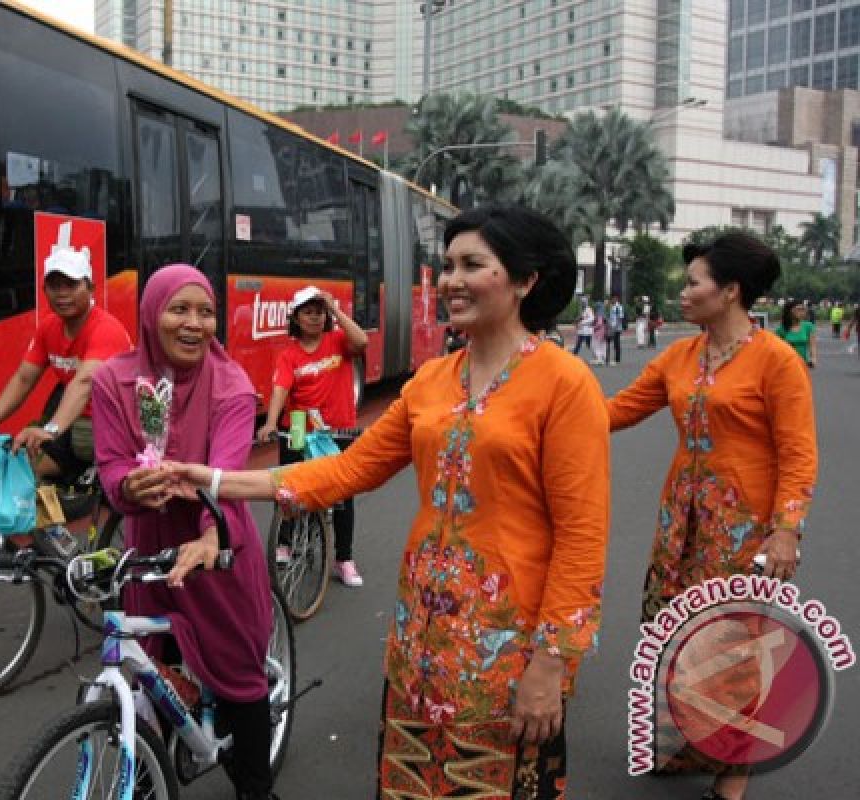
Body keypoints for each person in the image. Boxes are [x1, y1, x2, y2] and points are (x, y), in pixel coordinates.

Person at [171, 206, 609, 799]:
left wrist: (552, 663)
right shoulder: (432, 380)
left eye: (472, 265)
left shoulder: (565, 382)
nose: (451, 280)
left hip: (512, 646)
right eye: (447, 264)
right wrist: (216, 480)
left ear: (526, 280)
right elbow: (349, 468)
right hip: (420, 635)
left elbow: (582, 536)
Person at [606, 232, 816, 800]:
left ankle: (736, 770)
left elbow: (798, 452)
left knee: (734, 648)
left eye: (693, 281)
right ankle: (689, 745)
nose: (683, 291)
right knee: (673, 635)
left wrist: (786, 528)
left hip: (742, 532)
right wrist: (549, 405)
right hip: (680, 526)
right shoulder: (680, 356)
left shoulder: (776, 362)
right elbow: (619, 409)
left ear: (729, 291)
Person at [90, 264, 276, 800]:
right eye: (179, 309)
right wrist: (130, 487)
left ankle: (255, 788)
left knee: (242, 680)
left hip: (216, 544)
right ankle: (146, 781)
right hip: (150, 548)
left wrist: (209, 536)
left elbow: (223, 475)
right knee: (149, 670)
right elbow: (110, 467)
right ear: (151, 314)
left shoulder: (233, 387)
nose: (194, 323)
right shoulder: (113, 381)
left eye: (206, 311)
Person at [0, 247, 132, 483]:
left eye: (71, 285)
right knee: (24, 466)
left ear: (90, 288)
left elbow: (84, 382)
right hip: (73, 421)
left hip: (112, 424)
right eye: (54, 286)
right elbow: (24, 378)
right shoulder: (48, 328)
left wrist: (50, 431)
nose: (62, 294)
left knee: (52, 462)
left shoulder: (105, 329)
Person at [256, 285, 369, 587]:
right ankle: (286, 543)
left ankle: (343, 558)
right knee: (288, 487)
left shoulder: (338, 341)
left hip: (338, 427)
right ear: (296, 318)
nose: (315, 317)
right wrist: (269, 423)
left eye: (319, 312)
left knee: (343, 495)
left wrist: (336, 310)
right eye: (308, 312)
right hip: (296, 424)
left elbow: (362, 341)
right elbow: (281, 388)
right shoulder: (289, 355)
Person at [774, 299, 818, 368]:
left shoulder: (808, 326)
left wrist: (813, 358)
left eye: (803, 309)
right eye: (798, 309)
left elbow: (812, 345)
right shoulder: (781, 330)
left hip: (802, 364)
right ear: (790, 311)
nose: (802, 312)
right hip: (786, 365)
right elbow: (776, 349)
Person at [607, 294, 625, 365]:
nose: (612, 300)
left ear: (616, 299)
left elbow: (620, 318)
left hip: (616, 328)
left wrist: (616, 327)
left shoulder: (618, 307)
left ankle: (617, 359)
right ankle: (611, 357)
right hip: (611, 326)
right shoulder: (612, 306)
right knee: (613, 343)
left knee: (616, 343)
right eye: (611, 299)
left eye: (613, 299)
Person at [591, 301, 608, 366]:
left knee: (597, 345)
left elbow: (599, 323)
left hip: (598, 332)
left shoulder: (599, 314)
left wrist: (593, 326)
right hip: (604, 332)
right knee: (603, 345)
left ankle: (599, 359)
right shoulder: (604, 314)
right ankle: (604, 357)